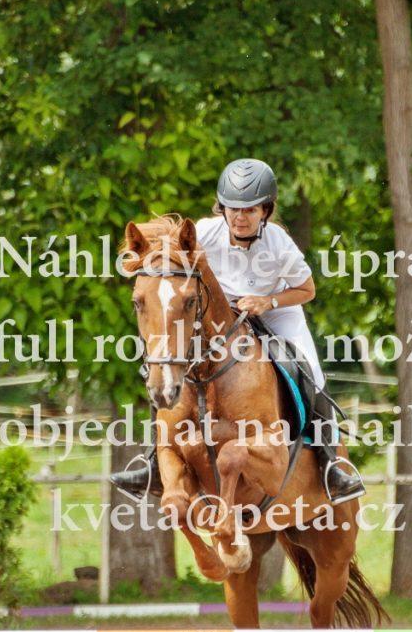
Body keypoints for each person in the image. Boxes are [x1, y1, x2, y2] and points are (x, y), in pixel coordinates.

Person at [112, 157, 365, 504]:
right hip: (221, 313)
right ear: (223, 208)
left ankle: (331, 465)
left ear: (265, 211)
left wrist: (267, 301)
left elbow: (307, 290)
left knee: (309, 370)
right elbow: (171, 256)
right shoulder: (205, 232)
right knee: (168, 365)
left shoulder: (278, 243)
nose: (240, 217)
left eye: (249, 210)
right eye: (233, 209)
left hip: (277, 311)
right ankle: (154, 463)